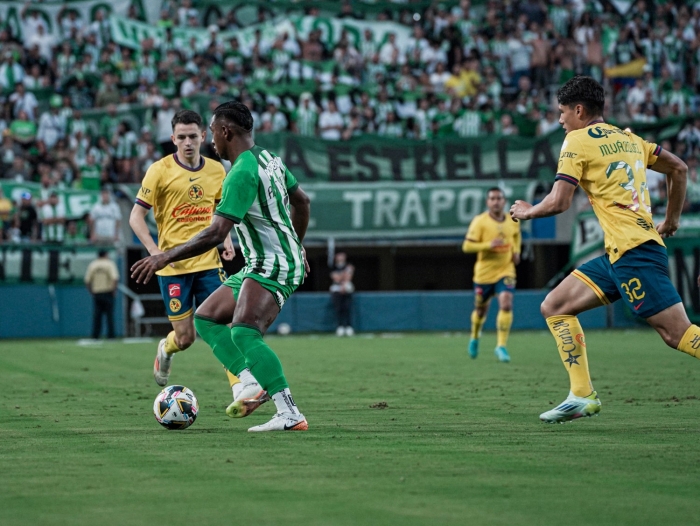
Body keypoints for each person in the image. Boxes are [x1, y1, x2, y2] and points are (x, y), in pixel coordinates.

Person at [510, 76, 700, 424]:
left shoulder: (575, 141)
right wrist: (671, 220)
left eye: (562, 112)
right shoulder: (628, 139)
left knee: (678, 334)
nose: (560, 119)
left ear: (578, 110)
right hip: (621, 253)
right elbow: (679, 168)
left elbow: (559, 202)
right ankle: (581, 395)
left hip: (635, 253)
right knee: (555, 306)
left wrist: (526, 211)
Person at [131, 101, 311, 433]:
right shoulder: (268, 159)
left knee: (244, 330)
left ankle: (289, 413)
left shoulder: (240, 173)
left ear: (225, 131)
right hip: (267, 260)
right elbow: (302, 201)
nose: (210, 138)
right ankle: (249, 379)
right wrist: (296, 246)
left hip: (272, 263)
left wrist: (163, 256)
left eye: (212, 130)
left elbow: (216, 232)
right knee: (207, 318)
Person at [128, 109, 263, 409]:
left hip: (207, 265)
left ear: (203, 136)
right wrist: (155, 252)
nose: (187, 142)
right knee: (185, 338)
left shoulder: (217, 170)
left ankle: (241, 387)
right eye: (181, 137)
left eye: (193, 136)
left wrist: (227, 242)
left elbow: (221, 213)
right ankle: (166, 348)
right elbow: (136, 216)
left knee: (225, 324)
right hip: (173, 268)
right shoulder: (159, 170)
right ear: (173, 139)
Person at [463, 188, 521, 362]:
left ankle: (501, 346)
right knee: (481, 310)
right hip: (484, 274)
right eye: (492, 198)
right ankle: (474, 336)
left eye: (499, 198)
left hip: (506, 270)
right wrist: (488, 245)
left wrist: (516, 251)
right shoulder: (479, 222)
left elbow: (516, 236)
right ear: (487, 202)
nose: (496, 201)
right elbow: (467, 246)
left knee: (506, 303)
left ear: (504, 201)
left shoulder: (513, 219)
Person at [84, 249, 119, 339]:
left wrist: (91, 291)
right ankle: (111, 336)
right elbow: (114, 278)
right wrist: (114, 290)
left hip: (97, 293)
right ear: (106, 254)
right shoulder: (109, 264)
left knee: (97, 316)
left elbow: (87, 280)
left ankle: (95, 336)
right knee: (109, 316)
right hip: (108, 292)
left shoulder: (93, 264)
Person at [330, 252, 355, 336]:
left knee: (347, 308)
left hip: (346, 288)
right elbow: (336, 278)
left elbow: (349, 277)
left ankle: (348, 327)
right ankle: (340, 327)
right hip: (336, 289)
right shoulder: (333, 267)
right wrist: (344, 274)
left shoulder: (348, 265)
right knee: (339, 309)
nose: (340, 258)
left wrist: (344, 285)